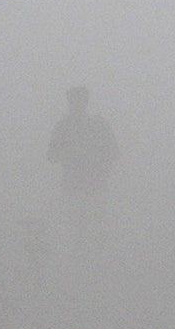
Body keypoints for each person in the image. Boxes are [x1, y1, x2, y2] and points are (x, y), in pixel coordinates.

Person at [45, 85, 120, 259]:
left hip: (94, 186)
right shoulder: (63, 127)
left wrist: (95, 157)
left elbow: (114, 152)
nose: (77, 104)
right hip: (75, 187)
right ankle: (81, 264)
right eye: (74, 100)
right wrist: (71, 154)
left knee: (94, 227)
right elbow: (51, 155)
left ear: (85, 102)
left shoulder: (98, 125)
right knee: (77, 229)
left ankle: (95, 263)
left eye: (80, 100)